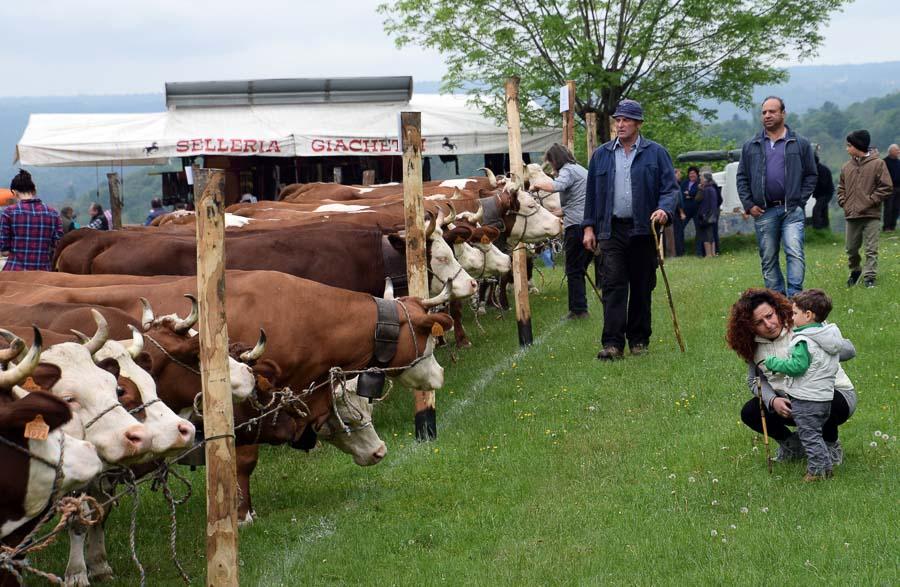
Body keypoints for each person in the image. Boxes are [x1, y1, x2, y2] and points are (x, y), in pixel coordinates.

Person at [582, 99, 678, 360]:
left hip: (644, 230)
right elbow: (591, 195)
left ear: (638, 123)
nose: (620, 124)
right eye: (618, 120)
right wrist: (588, 228)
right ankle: (612, 343)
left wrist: (664, 210)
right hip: (611, 230)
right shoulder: (601, 155)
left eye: (626, 120)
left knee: (641, 285)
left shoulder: (656, 153)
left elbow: (670, 190)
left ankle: (638, 340)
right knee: (613, 285)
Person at [726, 288, 856, 473]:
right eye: (759, 322)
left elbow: (849, 351)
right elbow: (755, 381)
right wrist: (773, 400)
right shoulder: (752, 345)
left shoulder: (805, 324)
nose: (769, 324)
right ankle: (793, 445)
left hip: (835, 395)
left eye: (770, 316)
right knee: (750, 412)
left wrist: (823, 344)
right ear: (749, 326)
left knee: (821, 398)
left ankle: (830, 446)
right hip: (794, 404)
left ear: (777, 309)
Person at [762, 289, 852, 481]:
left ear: (808, 315)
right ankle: (826, 468)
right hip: (824, 396)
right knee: (815, 434)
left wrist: (774, 363)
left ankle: (816, 471)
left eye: (795, 313)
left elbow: (798, 366)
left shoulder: (803, 340)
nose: (791, 317)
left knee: (809, 435)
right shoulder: (828, 335)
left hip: (807, 398)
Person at [736, 96, 817, 297]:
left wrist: (800, 201)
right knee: (768, 257)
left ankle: (795, 298)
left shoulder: (800, 143)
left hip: (791, 209)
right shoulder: (751, 145)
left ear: (783, 113)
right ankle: (777, 300)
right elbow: (742, 177)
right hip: (764, 210)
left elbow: (811, 174)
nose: (767, 115)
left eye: (772, 111)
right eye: (764, 112)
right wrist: (749, 204)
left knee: (794, 252)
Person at [530, 143, 591, 319]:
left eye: (551, 162)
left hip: (576, 226)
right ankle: (580, 307)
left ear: (556, 160)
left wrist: (537, 185)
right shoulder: (579, 169)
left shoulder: (567, 170)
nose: (552, 167)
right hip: (584, 222)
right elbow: (574, 204)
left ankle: (578, 310)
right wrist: (548, 214)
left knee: (573, 269)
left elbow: (557, 186)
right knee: (578, 269)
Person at [837, 130, 893, 288]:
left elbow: (886, 187)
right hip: (852, 215)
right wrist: (844, 201)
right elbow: (841, 188)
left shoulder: (878, 164)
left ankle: (869, 277)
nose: (847, 148)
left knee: (871, 248)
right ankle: (855, 270)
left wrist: (870, 201)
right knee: (851, 249)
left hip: (871, 215)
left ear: (858, 145)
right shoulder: (846, 167)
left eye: (849, 145)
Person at [0, 169, 63, 271]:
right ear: (34, 191)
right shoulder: (53, 213)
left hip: (15, 273)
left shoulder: (8, 213)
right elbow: (57, 245)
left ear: (14, 192)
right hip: (43, 274)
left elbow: (4, 251)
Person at [674, 166, 700, 256]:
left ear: (697, 174)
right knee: (680, 229)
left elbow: (697, 193)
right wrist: (690, 194)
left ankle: (699, 251)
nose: (692, 175)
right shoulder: (684, 183)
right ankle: (681, 250)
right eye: (690, 173)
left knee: (699, 230)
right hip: (686, 210)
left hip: (697, 210)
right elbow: (681, 194)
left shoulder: (699, 182)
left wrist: (690, 193)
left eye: (693, 173)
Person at [695, 172, 720, 258]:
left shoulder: (707, 189)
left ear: (705, 179)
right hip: (712, 214)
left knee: (706, 235)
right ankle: (712, 253)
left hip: (706, 215)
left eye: (701, 178)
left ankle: (708, 254)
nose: (700, 180)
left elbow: (700, 201)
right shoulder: (713, 188)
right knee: (711, 235)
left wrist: (703, 214)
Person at [811, 152, 834, 230]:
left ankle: (817, 229)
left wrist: (812, 186)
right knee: (823, 211)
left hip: (825, 194)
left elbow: (823, 184)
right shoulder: (818, 169)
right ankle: (825, 228)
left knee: (816, 210)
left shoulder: (821, 170)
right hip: (823, 193)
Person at [883, 144, 900, 231]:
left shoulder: (898, 162)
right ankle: (886, 227)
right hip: (889, 188)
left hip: (898, 188)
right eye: (897, 150)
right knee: (888, 208)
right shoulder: (884, 162)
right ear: (891, 151)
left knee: (897, 208)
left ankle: (893, 226)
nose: (898, 152)